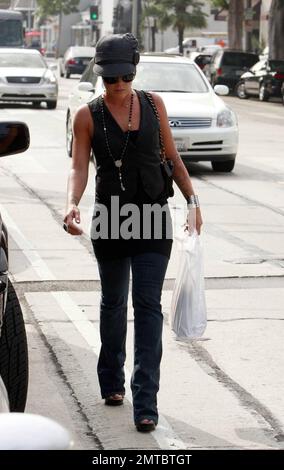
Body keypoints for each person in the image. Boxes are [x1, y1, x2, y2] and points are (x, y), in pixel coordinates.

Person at [63, 33, 203, 433]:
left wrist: (192, 200)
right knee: (112, 304)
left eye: (125, 75)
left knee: (147, 307)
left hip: (154, 216)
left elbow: (171, 157)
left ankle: (146, 402)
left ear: (135, 70)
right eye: (110, 78)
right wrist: (72, 202)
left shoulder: (154, 105)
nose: (118, 84)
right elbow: (79, 166)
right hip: (111, 216)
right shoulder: (87, 115)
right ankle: (111, 382)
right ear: (101, 76)